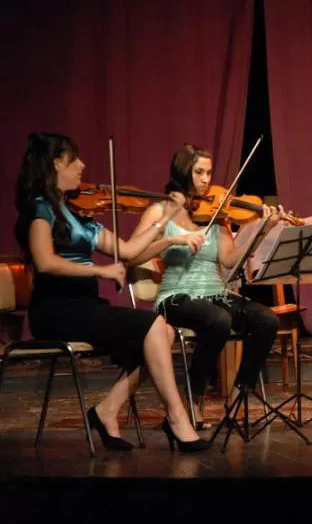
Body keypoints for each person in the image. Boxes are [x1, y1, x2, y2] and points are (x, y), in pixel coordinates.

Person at [13, 132, 210, 452]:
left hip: (86, 307)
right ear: (55, 164)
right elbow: (45, 261)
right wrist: (100, 270)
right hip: (56, 310)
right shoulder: (40, 210)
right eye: (74, 159)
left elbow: (129, 251)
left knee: (167, 333)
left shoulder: (79, 218)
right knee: (155, 327)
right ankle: (177, 419)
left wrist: (168, 225)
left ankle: (107, 410)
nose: (82, 165)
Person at [128, 144, 282, 428]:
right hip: (176, 296)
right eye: (199, 172)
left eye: (209, 173)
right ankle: (193, 400)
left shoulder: (219, 214)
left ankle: (239, 396)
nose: (206, 179)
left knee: (266, 319)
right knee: (218, 319)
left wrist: (262, 231)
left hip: (216, 293)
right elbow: (133, 255)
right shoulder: (160, 212)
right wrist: (172, 240)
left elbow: (230, 259)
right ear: (183, 171)